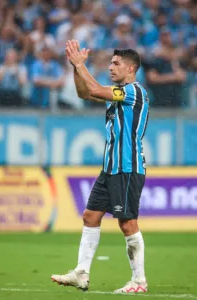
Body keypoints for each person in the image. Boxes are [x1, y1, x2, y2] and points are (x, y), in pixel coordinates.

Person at [51, 40, 149, 294]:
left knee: (127, 223)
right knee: (90, 216)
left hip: (127, 167)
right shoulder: (115, 94)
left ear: (131, 69)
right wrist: (75, 68)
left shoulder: (133, 92)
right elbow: (86, 93)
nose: (111, 67)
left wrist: (80, 65)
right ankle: (81, 273)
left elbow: (93, 86)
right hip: (109, 168)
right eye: (111, 63)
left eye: (116, 63)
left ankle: (139, 281)